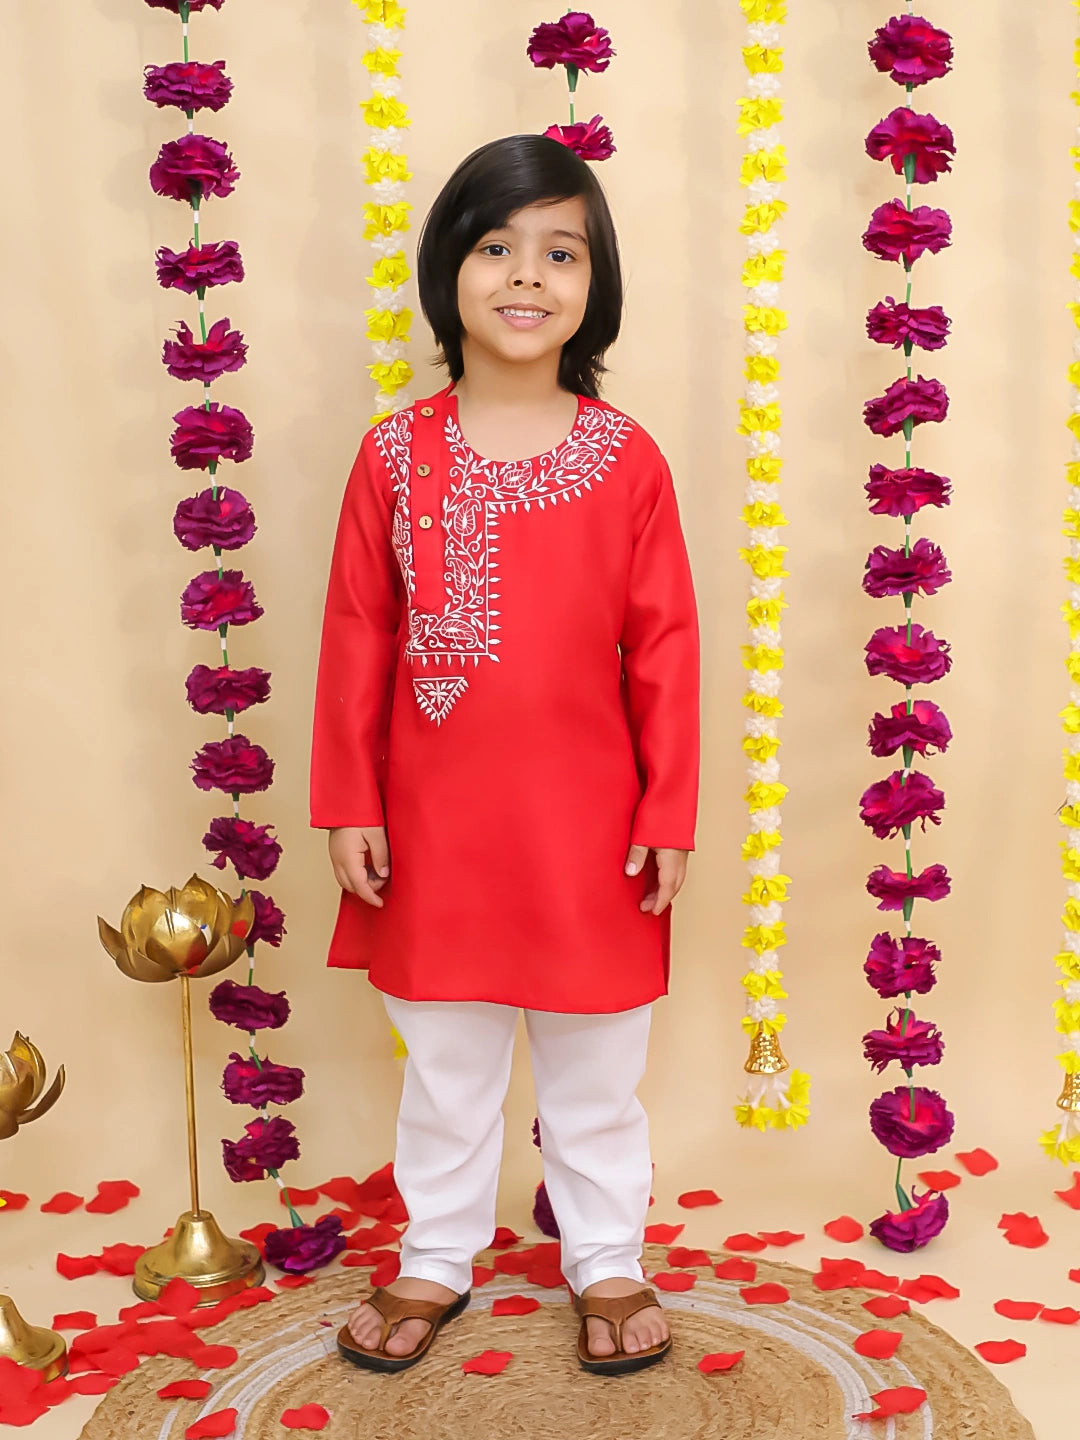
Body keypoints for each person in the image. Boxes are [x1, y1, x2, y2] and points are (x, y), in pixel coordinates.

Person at [309, 132, 700, 1376]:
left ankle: (606, 1256)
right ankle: (437, 1253)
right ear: (448, 271)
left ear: (596, 285)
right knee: (445, 1061)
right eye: (495, 246)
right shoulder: (393, 454)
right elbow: (359, 632)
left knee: (596, 1064)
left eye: (560, 252)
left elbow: (666, 645)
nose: (526, 275)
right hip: (433, 824)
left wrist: (668, 812)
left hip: (590, 822)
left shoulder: (627, 459)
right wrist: (349, 803)